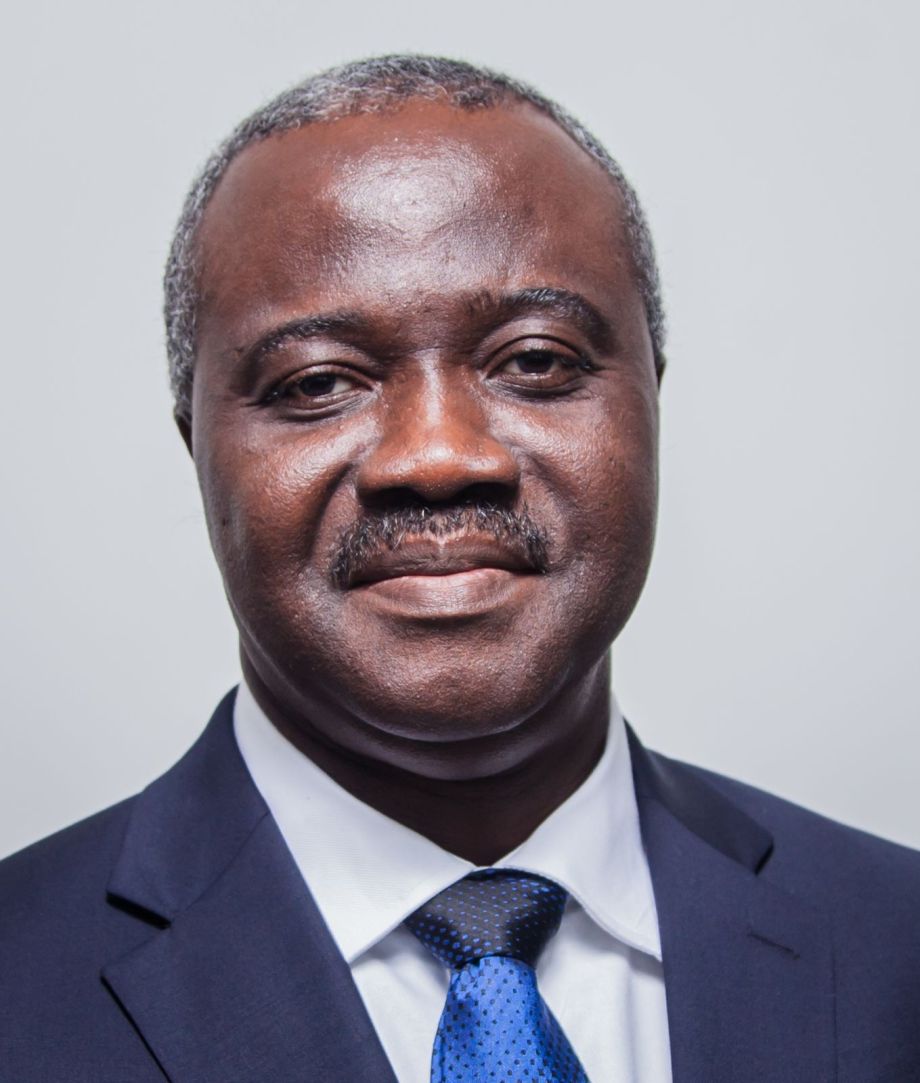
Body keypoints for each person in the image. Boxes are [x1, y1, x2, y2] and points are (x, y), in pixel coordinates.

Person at [0, 54, 918, 1083]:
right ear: (195, 444)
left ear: (650, 400)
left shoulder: (897, 942)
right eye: (317, 382)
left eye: (535, 361)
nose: (437, 456)